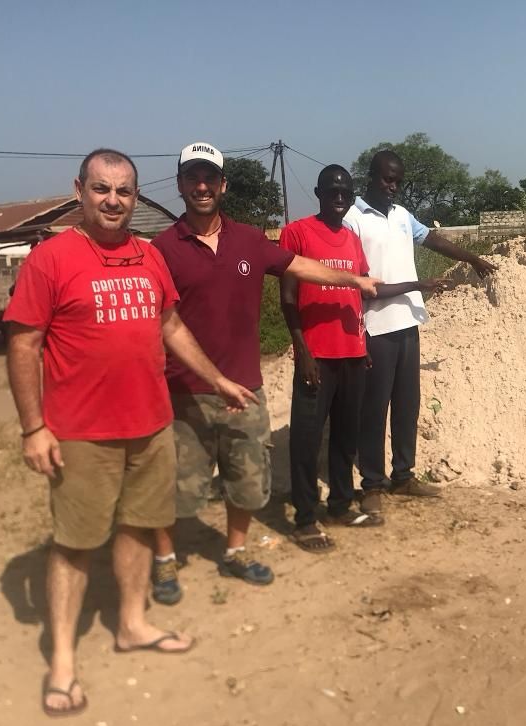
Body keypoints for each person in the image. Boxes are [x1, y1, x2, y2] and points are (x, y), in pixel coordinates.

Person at [4, 148, 257, 717]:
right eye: (101, 189)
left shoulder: (149, 256)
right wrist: (33, 428)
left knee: (142, 527)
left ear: (136, 197)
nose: (113, 200)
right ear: (79, 190)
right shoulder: (51, 258)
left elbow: (170, 323)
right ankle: (63, 662)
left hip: (150, 424)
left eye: (123, 191)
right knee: (74, 543)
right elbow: (23, 343)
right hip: (81, 432)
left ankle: (132, 623)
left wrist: (216, 378)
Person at [148, 143, 381, 604]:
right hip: (185, 393)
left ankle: (235, 553)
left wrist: (354, 281)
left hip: (246, 391)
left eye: (209, 178)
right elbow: (154, 320)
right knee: (176, 487)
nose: (201, 187)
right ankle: (164, 563)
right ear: (179, 185)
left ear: (222, 185)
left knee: (246, 481)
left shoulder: (249, 241)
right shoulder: (162, 250)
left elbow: (302, 267)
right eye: (192, 178)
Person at [279, 165, 451, 550]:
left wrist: (361, 342)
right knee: (306, 440)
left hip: (353, 353)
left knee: (345, 437)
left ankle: (340, 504)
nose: (338, 198)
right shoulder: (298, 232)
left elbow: (362, 291)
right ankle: (306, 517)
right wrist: (301, 349)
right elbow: (288, 297)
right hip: (317, 355)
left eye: (344, 192)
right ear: (319, 192)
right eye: (331, 191)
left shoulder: (350, 239)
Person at [343, 150, 497, 516]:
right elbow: (350, 280)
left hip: (408, 323)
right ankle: (372, 483)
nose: (393, 186)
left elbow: (432, 240)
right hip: (375, 327)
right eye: (386, 179)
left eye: (397, 180)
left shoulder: (401, 216)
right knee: (374, 409)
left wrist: (470, 258)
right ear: (370, 177)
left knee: (407, 406)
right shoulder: (352, 219)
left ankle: (404, 476)